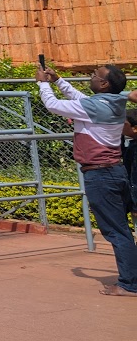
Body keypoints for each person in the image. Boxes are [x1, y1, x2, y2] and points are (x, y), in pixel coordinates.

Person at [38, 62, 136, 296]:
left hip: (100, 175)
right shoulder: (113, 101)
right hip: (114, 172)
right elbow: (81, 98)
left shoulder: (97, 106)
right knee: (122, 229)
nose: (91, 77)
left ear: (104, 84)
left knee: (116, 231)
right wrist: (58, 80)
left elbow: (53, 105)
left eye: (95, 75)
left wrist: (43, 83)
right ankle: (131, 279)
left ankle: (130, 284)